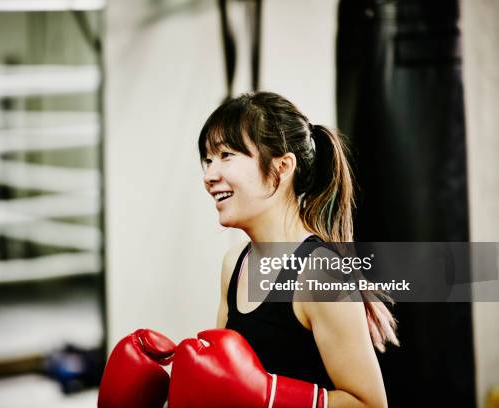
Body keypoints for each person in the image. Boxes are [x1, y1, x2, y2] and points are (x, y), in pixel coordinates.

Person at [167, 92, 399, 407]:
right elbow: (221, 379)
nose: (209, 175)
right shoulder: (234, 263)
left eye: (226, 156)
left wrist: (271, 396)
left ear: (282, 167)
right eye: (208, 160)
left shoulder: (320, 273)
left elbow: (370, 404)